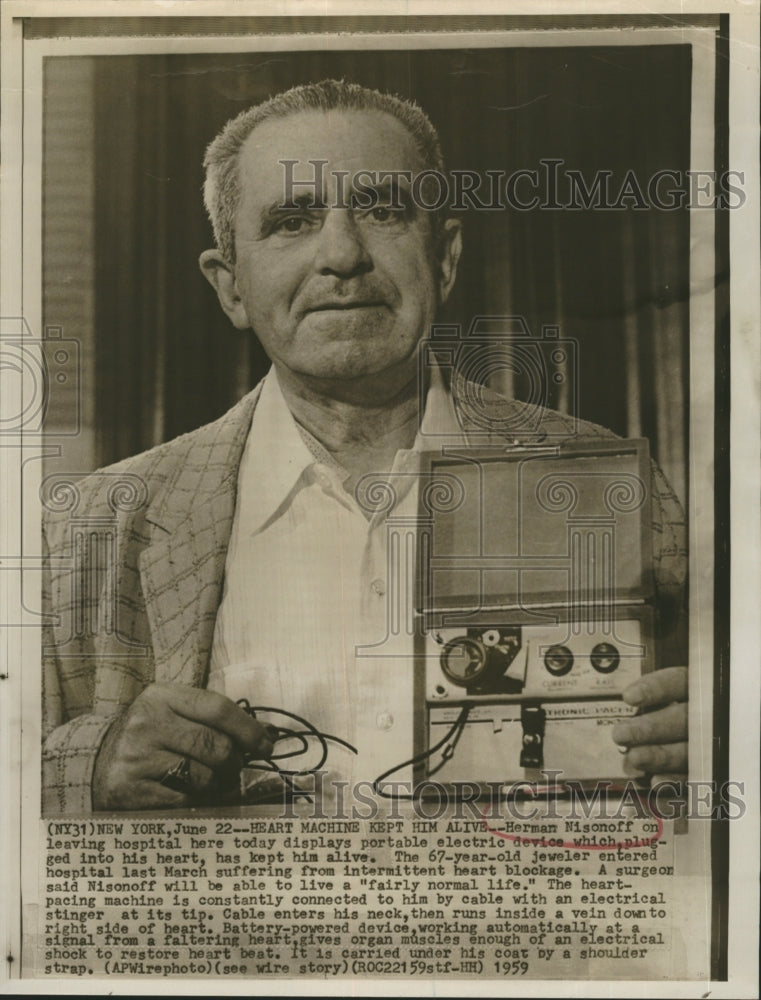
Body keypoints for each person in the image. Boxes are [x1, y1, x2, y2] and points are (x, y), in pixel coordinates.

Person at [41, 79, 688, 815]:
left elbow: (703, 746)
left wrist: (711, 743)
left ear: (443, 258)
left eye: (382, 211)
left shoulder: (605, 483)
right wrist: (84, 769)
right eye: (292, 220)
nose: (342, 254)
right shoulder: (88, 526)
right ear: (229, 288)